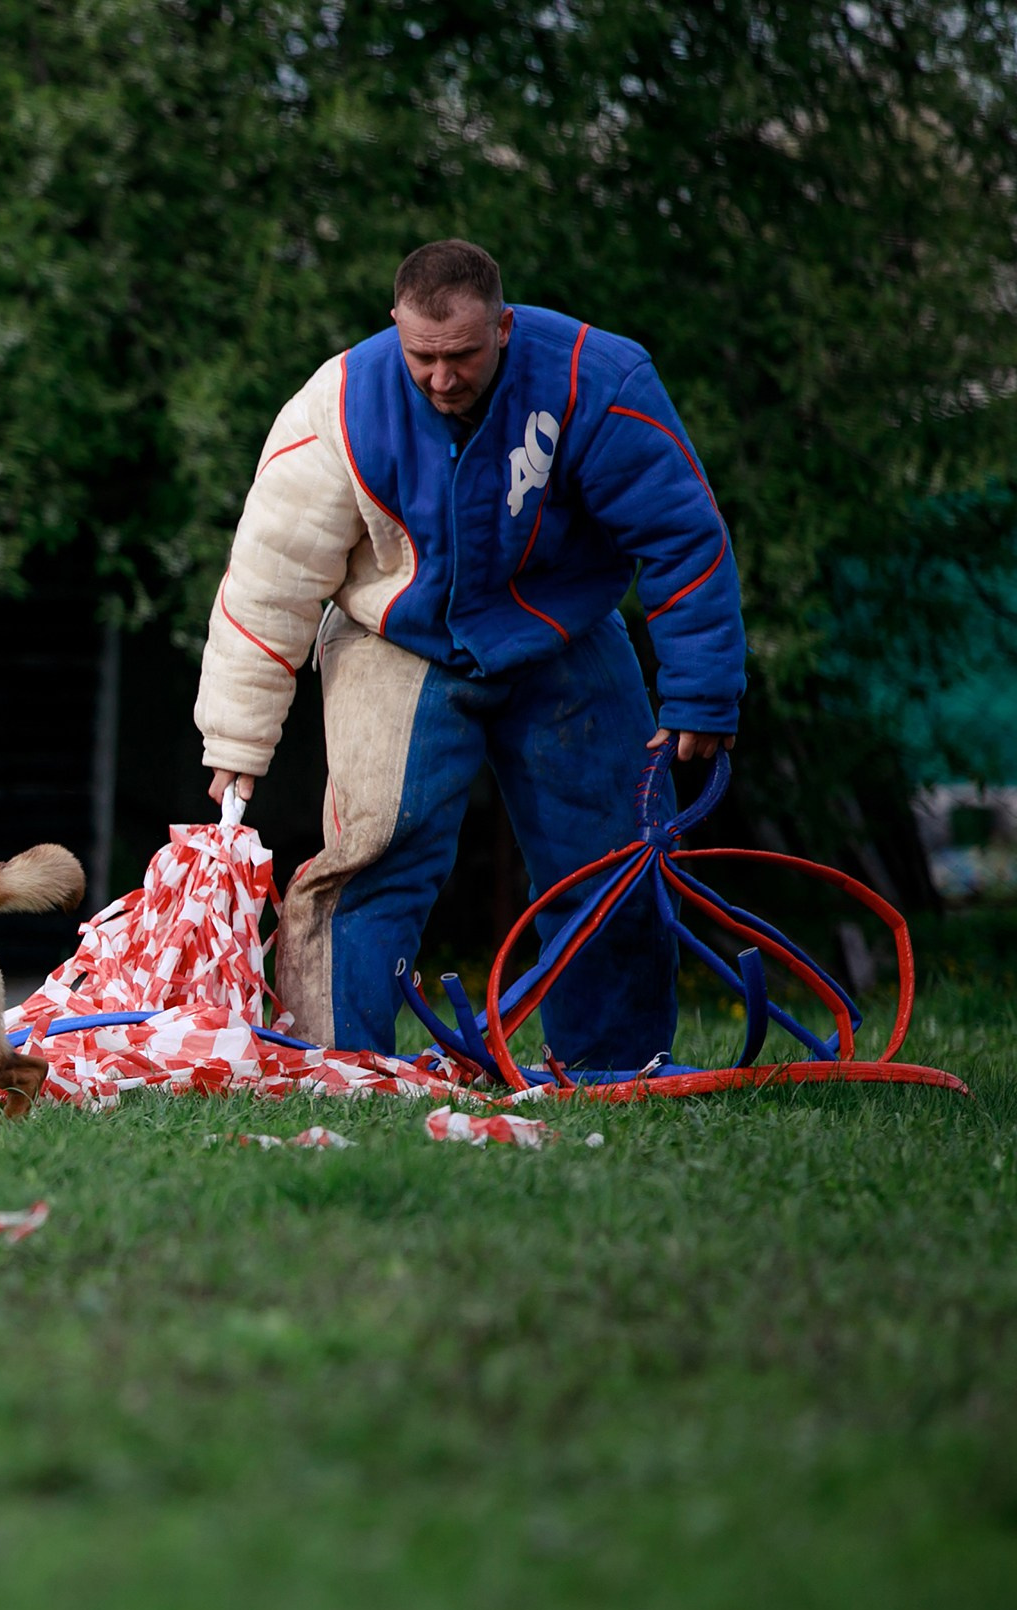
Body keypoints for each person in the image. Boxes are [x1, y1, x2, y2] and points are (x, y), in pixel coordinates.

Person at [193, 239, 742, 1068]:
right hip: (394, 631)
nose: (443, 378)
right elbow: (272, 577)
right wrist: (237, 741)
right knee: (372, 852)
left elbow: (682, 536)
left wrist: (701, 693)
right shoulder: (338, 405)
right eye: (424, 357)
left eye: (463, 355)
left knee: (617, 849)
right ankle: (336, 1067)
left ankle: (613, 1064)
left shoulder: (600, 380)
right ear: (395, 329)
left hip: (562, 629)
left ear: (506, 327)